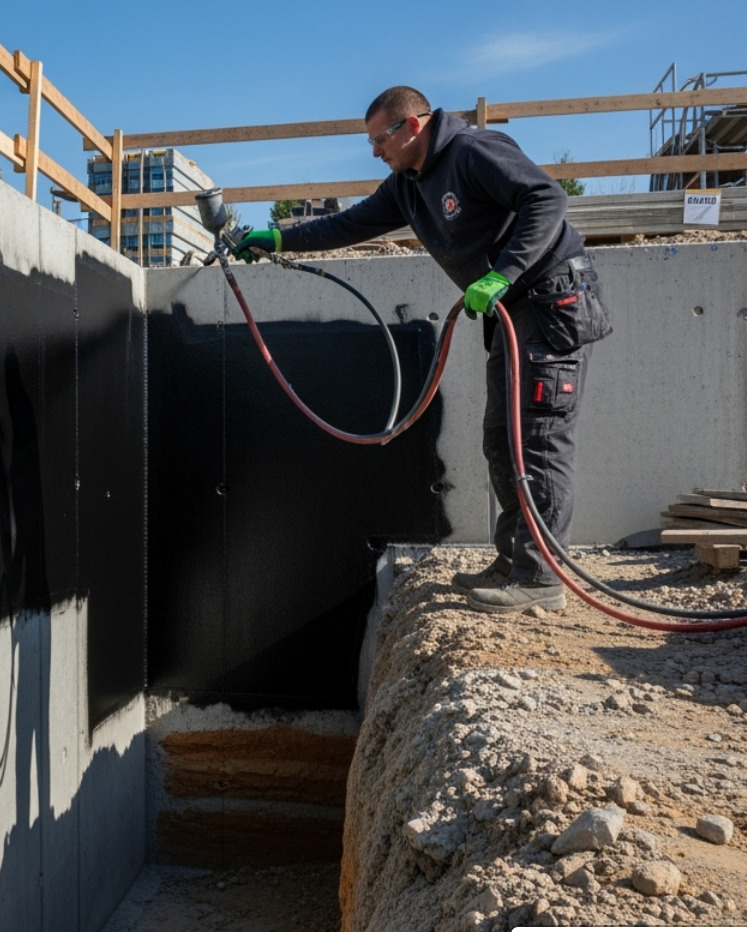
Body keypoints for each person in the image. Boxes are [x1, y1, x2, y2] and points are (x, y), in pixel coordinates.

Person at [234, 85, 611, 614]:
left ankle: (542, 578)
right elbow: (349, 224)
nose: (374, 151)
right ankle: (514, 560)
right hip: (511, 312)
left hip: (550, 301)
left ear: (414, 125)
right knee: (502, 441)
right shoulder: (408, 186)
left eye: (379, 138)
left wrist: (503, 273)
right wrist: (276, 239)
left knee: (538, 439)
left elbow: (547, 198)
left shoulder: (474, 152)